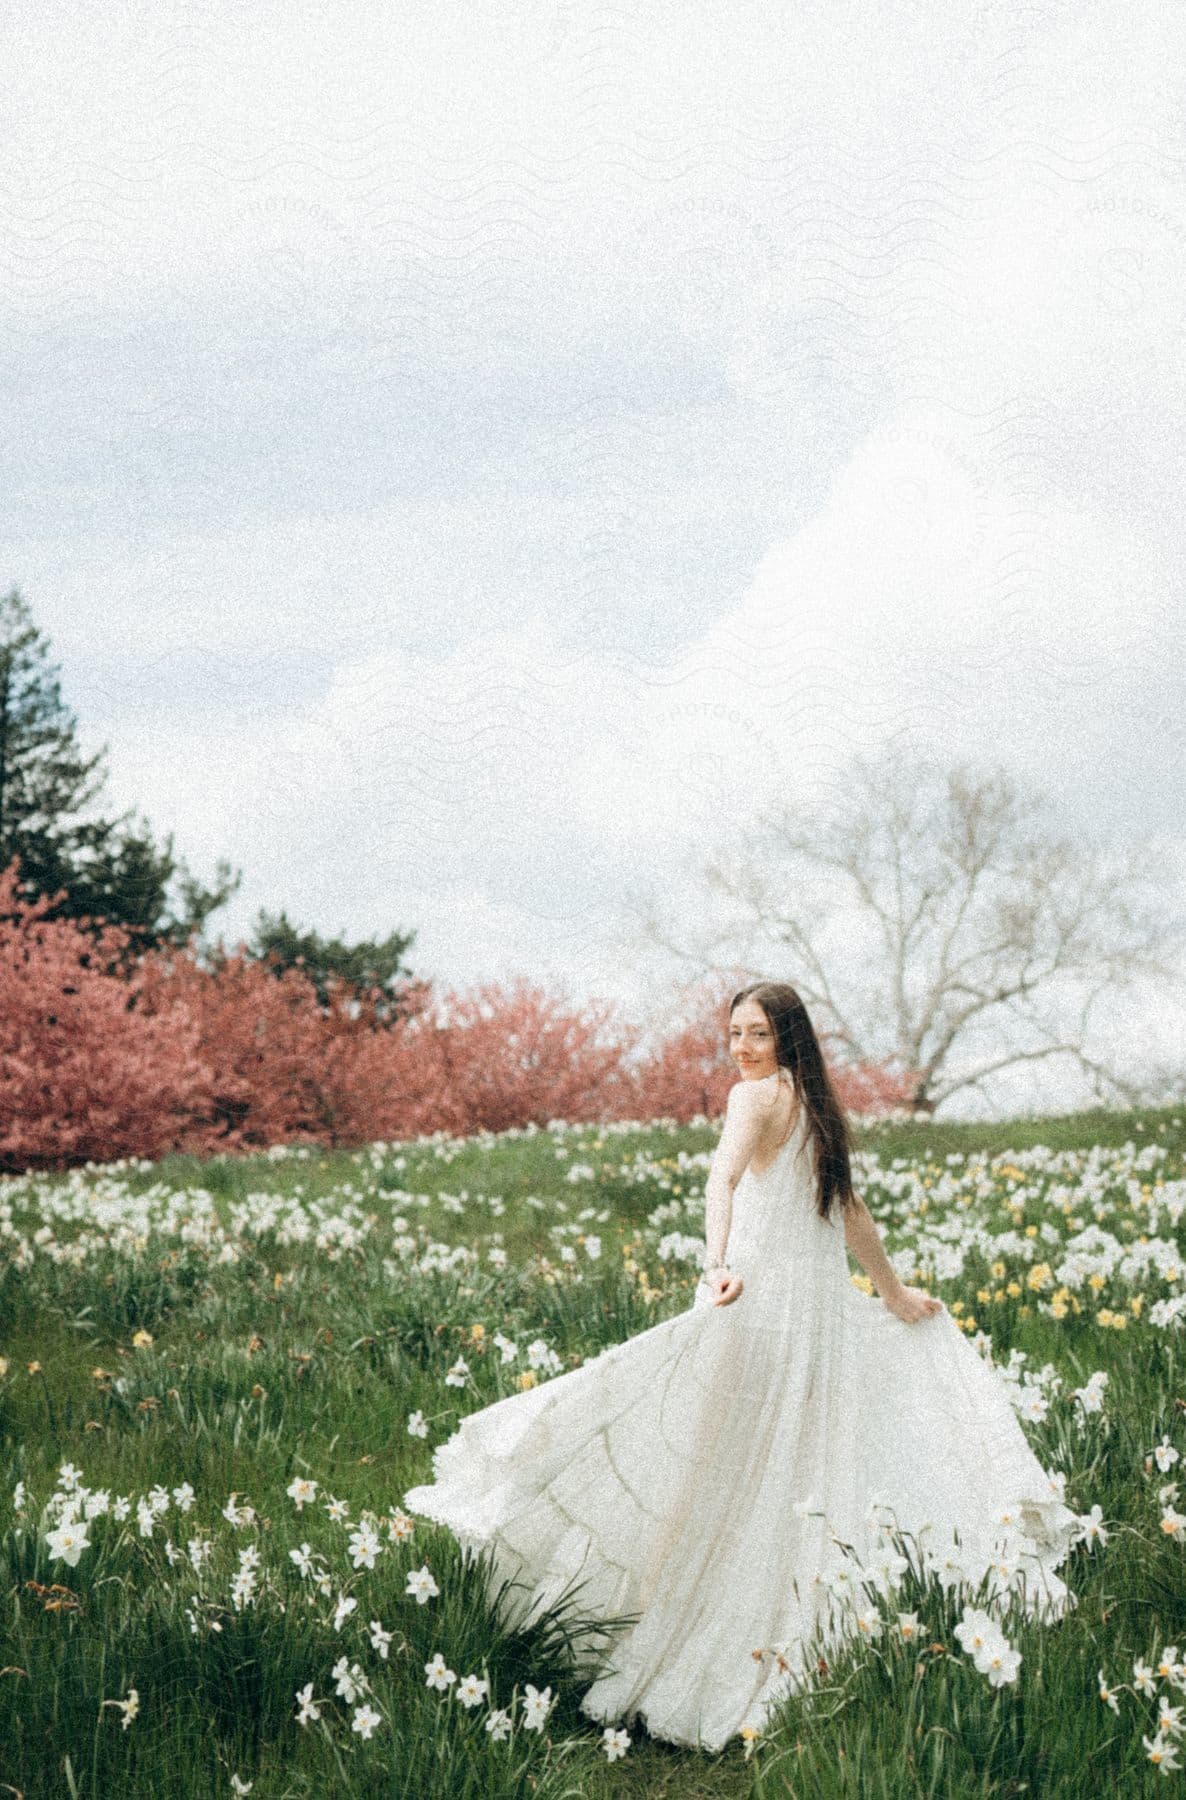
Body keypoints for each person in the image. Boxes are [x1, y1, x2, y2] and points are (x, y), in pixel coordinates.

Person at [403, 981, 1079, 1753]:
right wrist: (716, 1265)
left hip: (812, 1309)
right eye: (733, 1035)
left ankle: (788, 1624)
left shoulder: (802, 1105)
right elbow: (722, 1178)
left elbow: (846, 1207)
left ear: (789, 1037)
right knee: (738, 1458)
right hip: (765, 1301)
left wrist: (891, 1291)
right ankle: (725, 1617)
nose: (742, 1049)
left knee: (791, 1465)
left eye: (756, 1034)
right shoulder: (757, 1099)